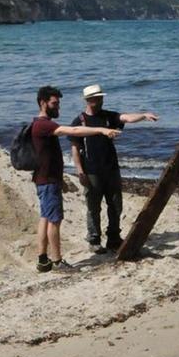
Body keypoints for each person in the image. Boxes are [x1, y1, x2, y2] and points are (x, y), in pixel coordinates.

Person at [30, 86, 122, 273]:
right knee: (54, 220)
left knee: (46, 218)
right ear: (43, 103)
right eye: (54, 103)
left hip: (46, 179)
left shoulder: (40, 124)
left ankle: (43, 260)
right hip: (47, 181)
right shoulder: (44, 125)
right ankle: (57, 262)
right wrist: (101, 130)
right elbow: (72, 130)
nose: (58, 107)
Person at [69, 84, 159, 253]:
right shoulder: (79, 121)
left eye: (101, 97)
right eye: (97, 98)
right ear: (88, 100)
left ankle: (113, 238)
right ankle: (94, 239)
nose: (100, 100)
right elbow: (74, 148)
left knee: (116, 204)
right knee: (93, 206)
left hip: (111, 168)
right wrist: (80, 171)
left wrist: (143, 115)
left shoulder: (109, 117)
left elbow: (126, 118)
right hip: (91, 170)